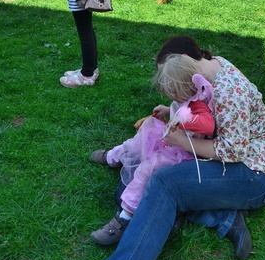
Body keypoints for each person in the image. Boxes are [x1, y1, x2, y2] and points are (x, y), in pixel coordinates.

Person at [58, 36, 265, 260]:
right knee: (151, 177)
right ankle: (223, 217)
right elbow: (204, 111)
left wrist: (181, 141)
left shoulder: (230, 89)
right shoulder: (210, 69)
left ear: (186, 67)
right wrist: (173, 113)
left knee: (164, 182)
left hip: (254, 176)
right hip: (231, 166)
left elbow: (233, 151)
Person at [90, 57, 215, 245]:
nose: (171, 98)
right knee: (146, 130)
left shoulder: (199, 104)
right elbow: (181, 106)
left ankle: (125, 216)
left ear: (183, 88)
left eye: (172, 94)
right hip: (171, 141)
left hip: (183, 154)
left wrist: (184, 120)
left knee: (148, 167)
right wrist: (168, 109)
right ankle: (112, 157)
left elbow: (208, 126)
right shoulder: (185, 98)